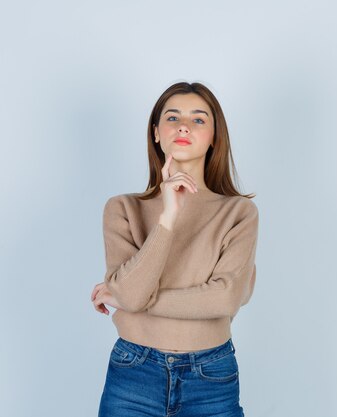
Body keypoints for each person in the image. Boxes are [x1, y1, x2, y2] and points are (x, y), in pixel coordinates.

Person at [91, 81, 259, 416]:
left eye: (198, 120)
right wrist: (168, 217)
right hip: (133, 373)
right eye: (172, 117)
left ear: (214, 137)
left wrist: (129, 299)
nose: (183, 125)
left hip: (210, 376)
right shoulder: (122, 209)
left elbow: (223, 298)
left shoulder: (238, 213)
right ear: (155, 133)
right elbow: (133, 295)